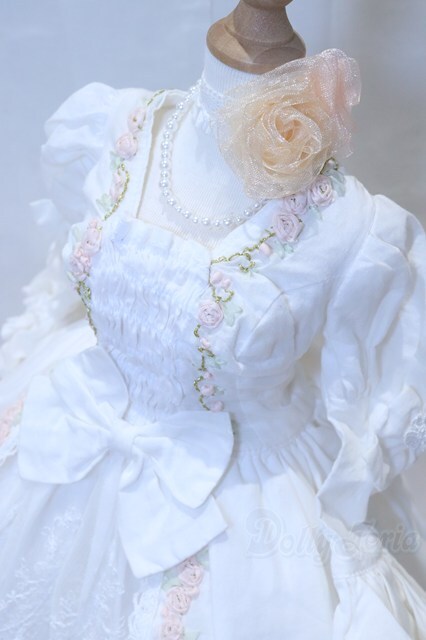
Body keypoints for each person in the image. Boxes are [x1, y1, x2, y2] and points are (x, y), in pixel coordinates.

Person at [0, 19, 426, 640]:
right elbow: (70, 273)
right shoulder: (112, 128)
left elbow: (376, 396)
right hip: (71, 425)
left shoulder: (356, 229)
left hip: (244, 496)